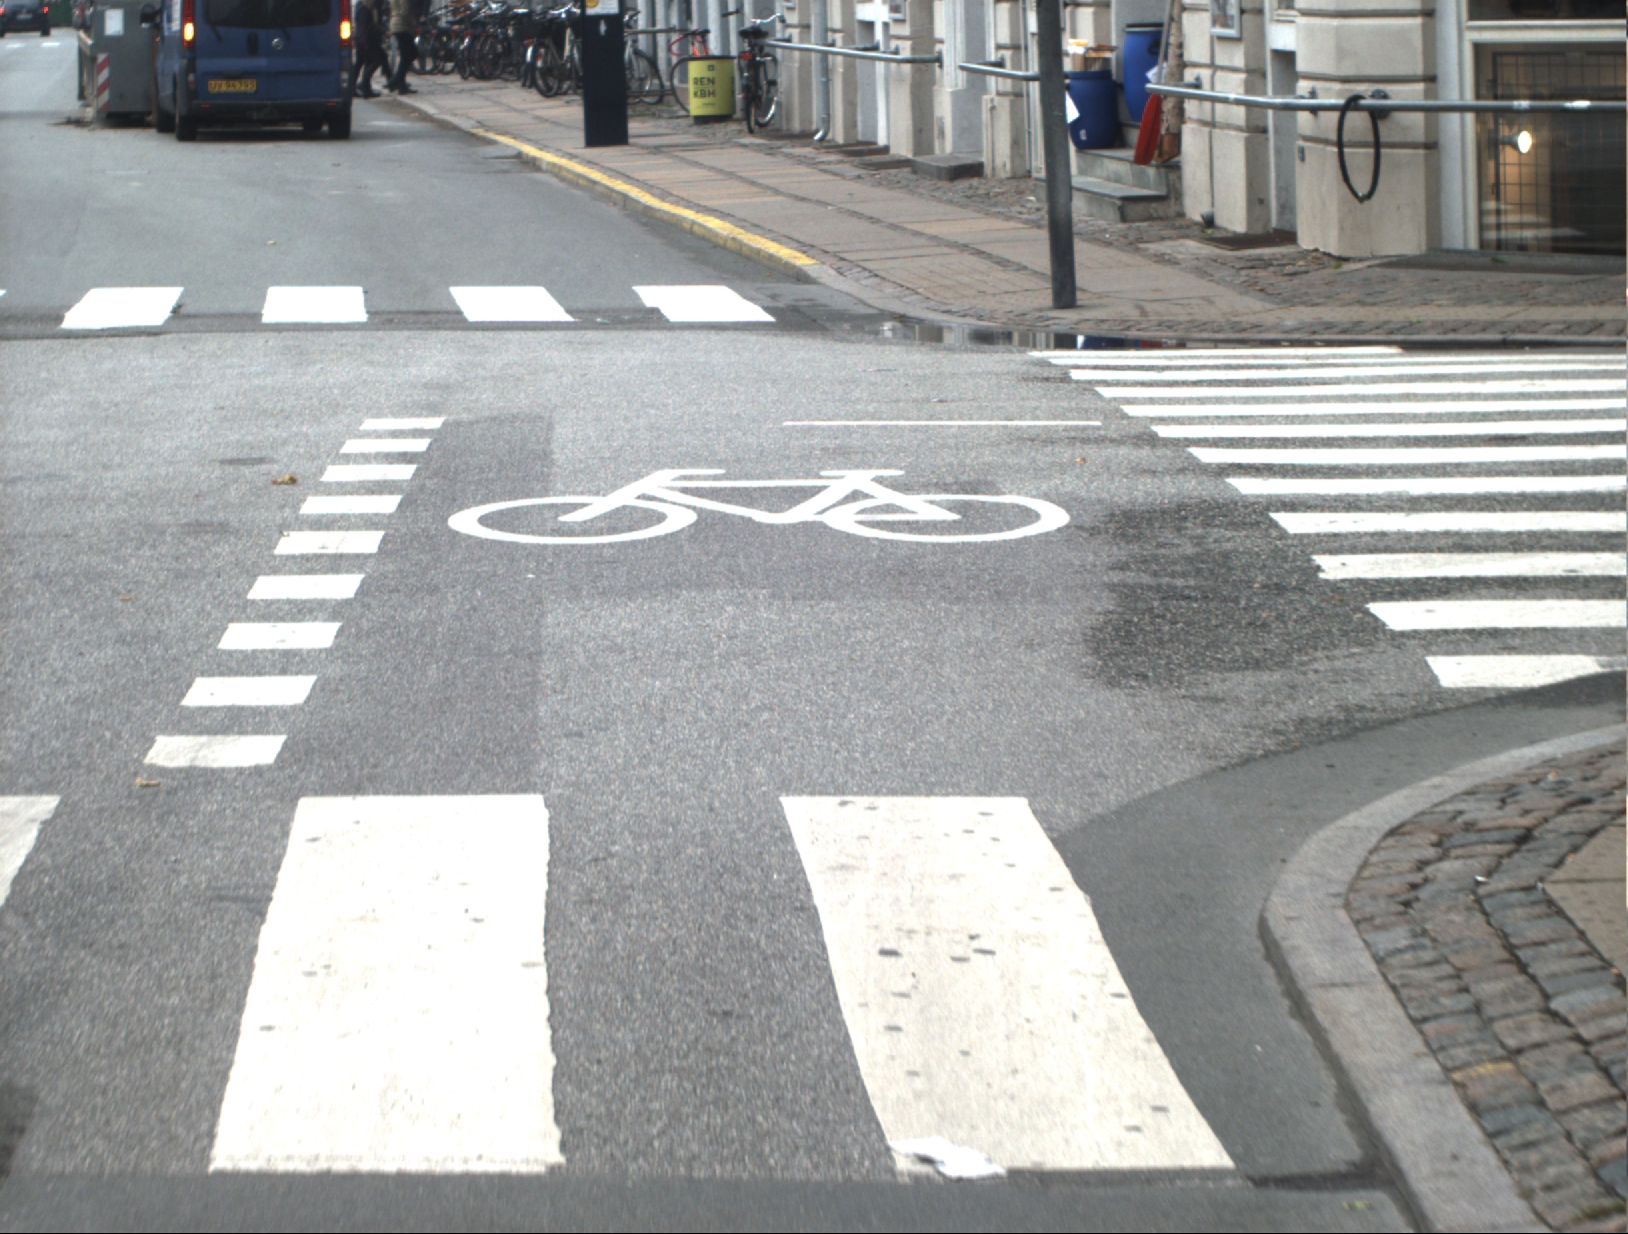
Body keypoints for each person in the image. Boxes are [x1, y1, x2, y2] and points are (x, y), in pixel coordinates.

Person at [349, 0, 384, 98]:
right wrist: (365, 42)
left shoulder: (361, 7)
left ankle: (353, 88)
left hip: (360, 39)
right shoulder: (365, 10)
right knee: (374, 61)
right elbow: (364, 27)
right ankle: (365, 87)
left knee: (360, 63)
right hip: (364, 40)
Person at [386, 0, 417, 94]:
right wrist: (413, 25)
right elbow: (405, 12)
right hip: (403, 26)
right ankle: (396, 81)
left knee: (406, 55)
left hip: (395, 24)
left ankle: (399, 82)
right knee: (410, 54)